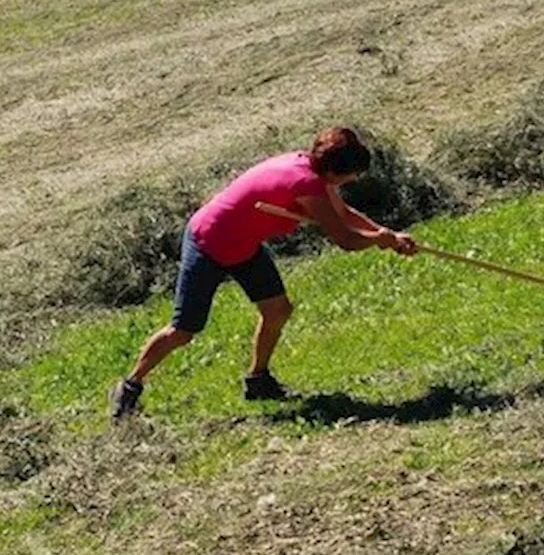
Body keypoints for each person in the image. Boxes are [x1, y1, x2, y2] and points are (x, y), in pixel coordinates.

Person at [110, 127, 418, 419]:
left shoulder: (311, 171)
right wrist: (380, 240)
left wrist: (386, 234)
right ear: (335, 170)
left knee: (277, 309)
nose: (351, 181)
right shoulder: (306, 184)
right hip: (209, 241)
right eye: (351, 175)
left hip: (243, 246)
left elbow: (344, 214)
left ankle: (258, 381)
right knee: (184, 330)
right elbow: (346, 240)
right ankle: (129, 386)